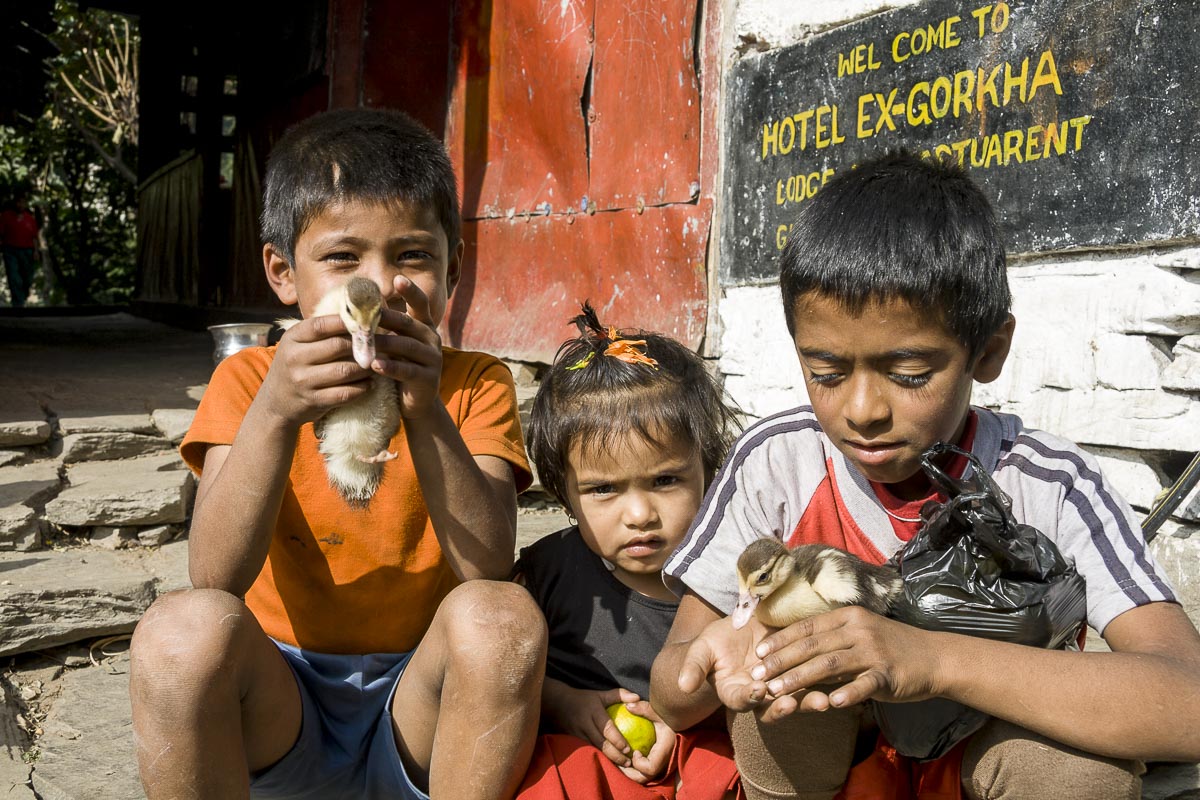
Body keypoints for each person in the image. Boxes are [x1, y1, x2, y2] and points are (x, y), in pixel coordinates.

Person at [649, 151, 1200, 800]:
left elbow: (1187, 701)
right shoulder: (777, 464)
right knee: (782, 704)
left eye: (909, 375)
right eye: (826, 372)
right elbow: (672, 691)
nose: (862, 411)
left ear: (988, 351)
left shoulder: (1048, 484)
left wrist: (931, 660)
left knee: (1075, 772)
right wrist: (709, 661)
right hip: (844, 770)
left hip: (982, 760)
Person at [129, 108, 548, 800]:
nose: (382, 287)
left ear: (454, 269)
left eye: (413, 255)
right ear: (283, 272)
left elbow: (488, 564)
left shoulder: (474, 383)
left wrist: (422, 406)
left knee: (502, 622)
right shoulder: (250, 383)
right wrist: (276, 411)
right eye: (342, 257)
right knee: (179, 633)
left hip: (418, 708)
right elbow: (215, 574)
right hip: (281, 704)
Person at [513, 302, 742, 800]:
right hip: (586, 768)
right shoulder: (545, 573)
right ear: (564, 495)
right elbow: (503, 675)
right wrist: (564, 703)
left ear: (709, 469)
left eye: (665, 480)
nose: (639, 514)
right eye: (603, 490)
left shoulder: (733, 575)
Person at [0, 192, 41, 307]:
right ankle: (18, 304)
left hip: (27, 251)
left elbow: (34, 237)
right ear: (15, 203)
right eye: (18, 202)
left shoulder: (30, 219)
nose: (20, 205)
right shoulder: (6, 216)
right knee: (14, 277)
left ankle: (23, 295)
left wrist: (36, 251)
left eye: (23, 202)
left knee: (27, 277)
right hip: (10, 250)